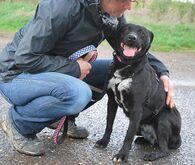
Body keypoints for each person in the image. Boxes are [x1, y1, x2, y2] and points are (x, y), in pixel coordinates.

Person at [0, 0, 174, 156]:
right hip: (14, 75)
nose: (129, 6)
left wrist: (162, 72)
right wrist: (74, 68)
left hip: (48, 73)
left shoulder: (109, 15)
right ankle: (19, 124)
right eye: (124, 0)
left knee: (112, 71)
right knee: (78, 93)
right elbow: (25, 58)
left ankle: (55, 117)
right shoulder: (62, 6)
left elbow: (129, 50)